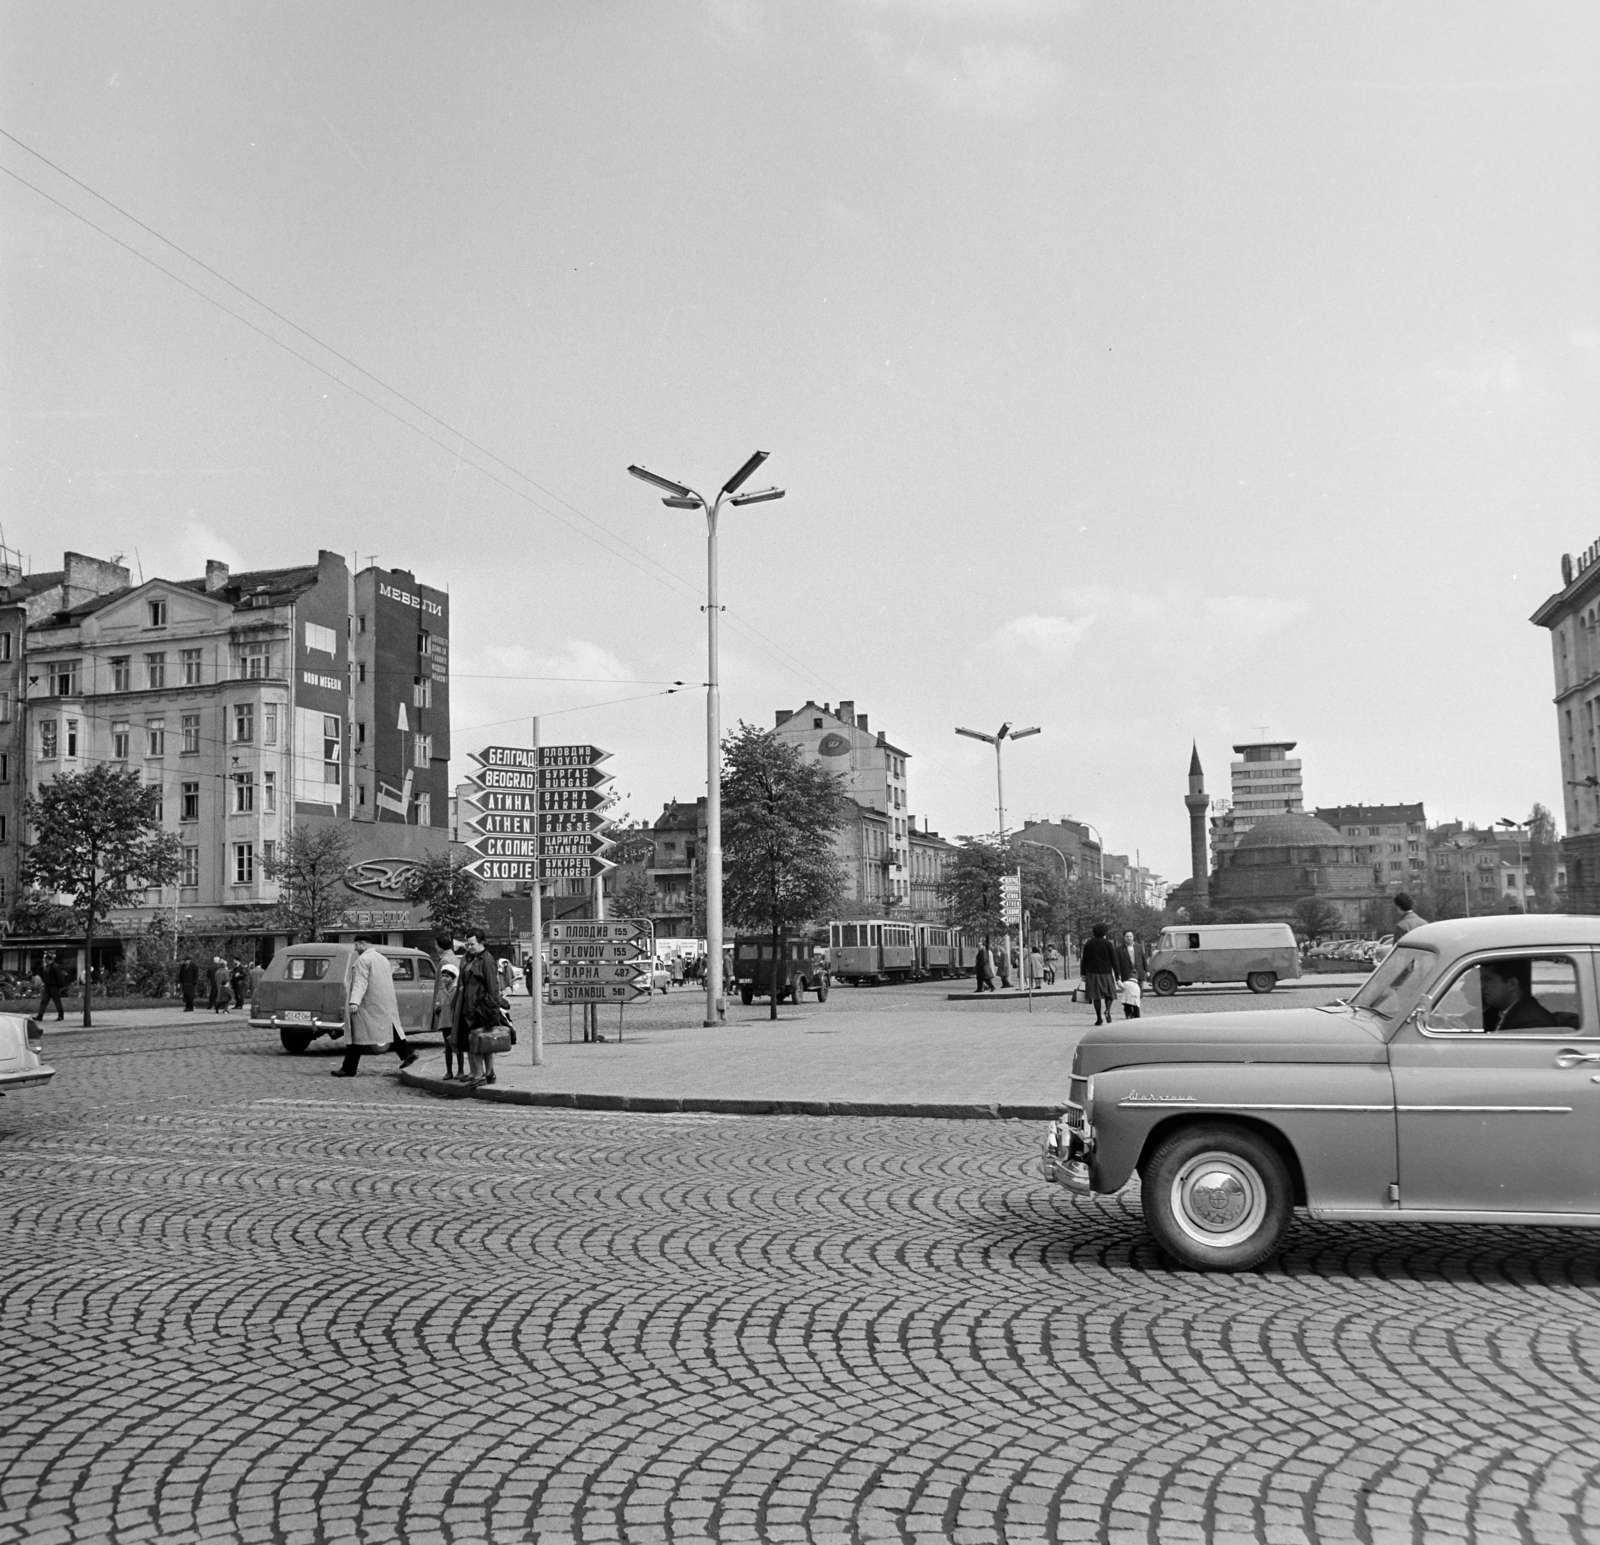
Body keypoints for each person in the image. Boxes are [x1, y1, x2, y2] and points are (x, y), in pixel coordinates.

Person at [332, 940, 418, 1077]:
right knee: (388, 1028)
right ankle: (407, 1052)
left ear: (362, 943)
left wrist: (354, 1001)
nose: (355, 948)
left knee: (356, 1034)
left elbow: (360, 982)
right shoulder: (383, 959)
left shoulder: (363, 960)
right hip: (383, 1002)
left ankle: (348, 1068)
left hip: (367, 1003)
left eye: (356, 945)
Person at [453, 926, 508, 1085]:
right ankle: (487, 1073)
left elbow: (493, 987)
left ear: (482, 943)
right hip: (470, 1006)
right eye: (467, 944)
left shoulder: (487, 960)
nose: (469, 947)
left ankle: (480, 1075)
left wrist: (492, 1011)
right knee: (483, 1041)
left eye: (472, 944)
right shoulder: (472, 958)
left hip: (480, 1008)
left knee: (477, 1041)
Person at [1481, 958, 1557, 1033]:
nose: (1482, 986)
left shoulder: (1533, 1025)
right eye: (1481, 980)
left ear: (1512, 984)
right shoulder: (1495, 1013)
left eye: (1488, 979)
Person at [1079, 924, 1120, 1027]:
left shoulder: (1088, 944)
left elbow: (1084, 960)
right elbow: (1114, 960)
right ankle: (1107, 1011)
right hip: (1106, 972)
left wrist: (1083, 973)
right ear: (1105, 932)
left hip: (1092, 973)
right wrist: (1117, 974)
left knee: (1095, 996)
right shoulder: (1108, 944)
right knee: (1109, 994)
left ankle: (1098, 1018)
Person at [37, 953, 66, 1021]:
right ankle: (40, 1015)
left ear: (47, 959)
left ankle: (61, 1015)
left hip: (54, 986)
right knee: (44, 1001)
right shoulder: (49, 966)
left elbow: (59, 977)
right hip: (49, 986)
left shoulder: (54, 967)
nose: (44, 961)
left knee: (56, 1001)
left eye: (45, 959)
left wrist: (60, 986)